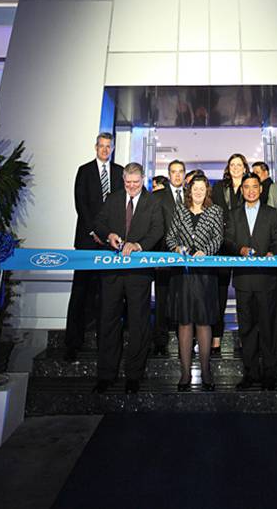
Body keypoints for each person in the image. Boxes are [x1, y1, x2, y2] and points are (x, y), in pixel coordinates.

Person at [92, 162, 164, 394]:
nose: (132, 187)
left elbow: (157, 230)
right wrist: (109, 234)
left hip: (138, 274)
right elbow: (99, 223)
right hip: (112, 272)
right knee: (108, 322)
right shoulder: (113, 199)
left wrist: (138, 245)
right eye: (128, 183)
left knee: (138, 323)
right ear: (123, 180)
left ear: (143, 179)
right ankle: (105, 375)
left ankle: (134, 375)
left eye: (136, 182)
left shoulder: (153, 202)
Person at [64, 132, 123, 362]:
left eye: (109, 147)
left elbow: (119, 207)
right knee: (79, 293)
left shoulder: (119, 172)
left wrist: (109, 235)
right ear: (95, 147)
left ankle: (103, 343)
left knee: (107, 295)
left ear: (112, 148)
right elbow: (81, 205)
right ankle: (72, 343)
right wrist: (96, 232)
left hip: (109, 244)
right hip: (88, 241)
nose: (105, 150)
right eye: (102, 146)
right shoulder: (84, 170)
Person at [225, 172, 277, 390]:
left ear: (260, 189)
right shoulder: (233, 215)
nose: (250, 190)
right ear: (242, 190)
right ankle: (250, 373)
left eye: (254, 186)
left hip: (267, 279)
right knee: (246, 330)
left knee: (269, 330)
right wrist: (238, 249)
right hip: (243, 280)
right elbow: (227, 240)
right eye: (246, 186)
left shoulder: (272, 214)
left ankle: (270, 374)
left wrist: (272, 252)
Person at [165, 173, 224, 391]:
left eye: (202, 188)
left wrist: (204, 251)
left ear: (207, 191)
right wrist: (178, 248)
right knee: (184, 322)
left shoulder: (215, 211)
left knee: (204, 321)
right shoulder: (179, 210)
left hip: (205, 274)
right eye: (194, 188)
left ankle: (206, 370)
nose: (198, 192)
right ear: (189, 191)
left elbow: (218, 238)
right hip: (183, 275)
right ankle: (185, 372)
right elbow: (170, 237)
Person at [211, 153, 250, 355]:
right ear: (228, 167)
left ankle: (245, 341)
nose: (235, 167)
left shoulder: (251, 186)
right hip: (222, 244)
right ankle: (216, 340)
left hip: (244, 244)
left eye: (239, 164)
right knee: (219, 295)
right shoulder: (218, 187)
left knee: (245, 296)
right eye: (232, 164)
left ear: (245, 167)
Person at [153, 159, 187, 355]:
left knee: (185, 300)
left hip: (187, 259)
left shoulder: (192, 196)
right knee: (162, 301)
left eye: (180, 171)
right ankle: (160, 340)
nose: (177, 175)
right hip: (165, 257)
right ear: (168, 174)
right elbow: (157, 228)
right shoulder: (158, 197)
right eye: (173, 172)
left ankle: (186, 340)